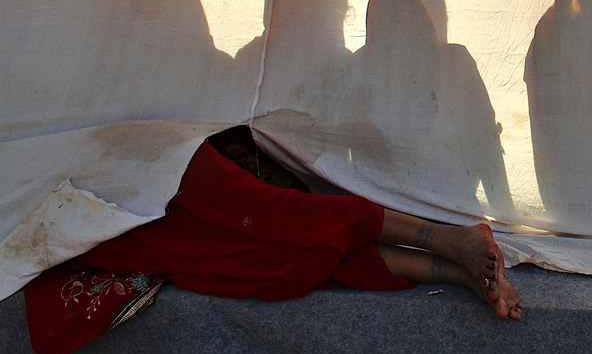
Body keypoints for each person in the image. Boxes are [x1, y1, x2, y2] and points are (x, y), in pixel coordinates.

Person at [77, 138, 522, 320]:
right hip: (88, 206)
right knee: (258, 264)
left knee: (267, 214)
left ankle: (447, 239)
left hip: (137, 151)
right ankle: (456, 270)